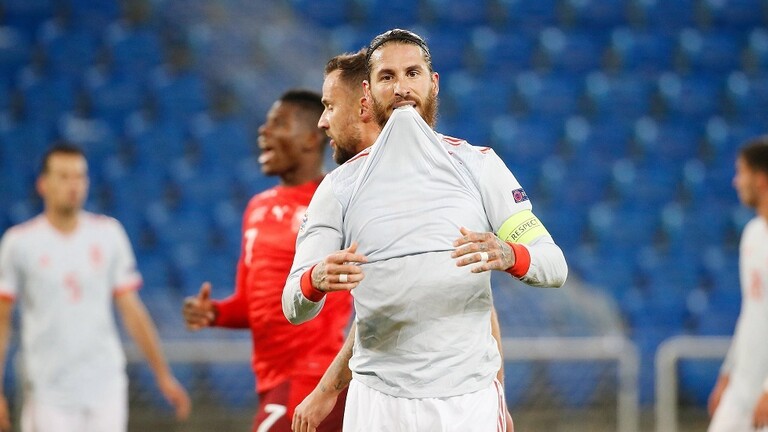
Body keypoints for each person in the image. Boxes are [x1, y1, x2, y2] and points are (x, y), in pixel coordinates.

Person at [283, 29, 567, 431]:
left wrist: (510, 254)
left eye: (412, 73)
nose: (401, 87)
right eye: (387, 77)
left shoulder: (479, 166)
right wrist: (314, 279)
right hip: (377, 403)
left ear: (433, 83)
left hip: (467, 402)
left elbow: (554, 264)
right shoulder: (339, 188)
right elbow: (293, 305)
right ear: (367, 93)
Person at [181, 89, 352, 432]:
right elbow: (252, 304)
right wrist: (215, 313)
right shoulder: (257, 207)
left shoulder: (337, 200)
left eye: (279, 123)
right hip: (273, 382)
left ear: (310, 138)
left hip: (311, 378)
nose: (264, 130)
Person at [0, 144, 190, 432]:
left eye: (79, 176)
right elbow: (2, 320)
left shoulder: (108, 235)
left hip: (105, 386)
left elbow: (132, 310)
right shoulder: (20, 243)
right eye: (64, 176)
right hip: (47, 391)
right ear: (43, 184)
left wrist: (162, 374)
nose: (73, 185)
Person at [707, 137, 768, 432]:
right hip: (742, 389)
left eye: (741, 172)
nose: (736, 181)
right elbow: (751, 312)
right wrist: (727, 373)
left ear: (761, 179)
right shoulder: (753, 234)